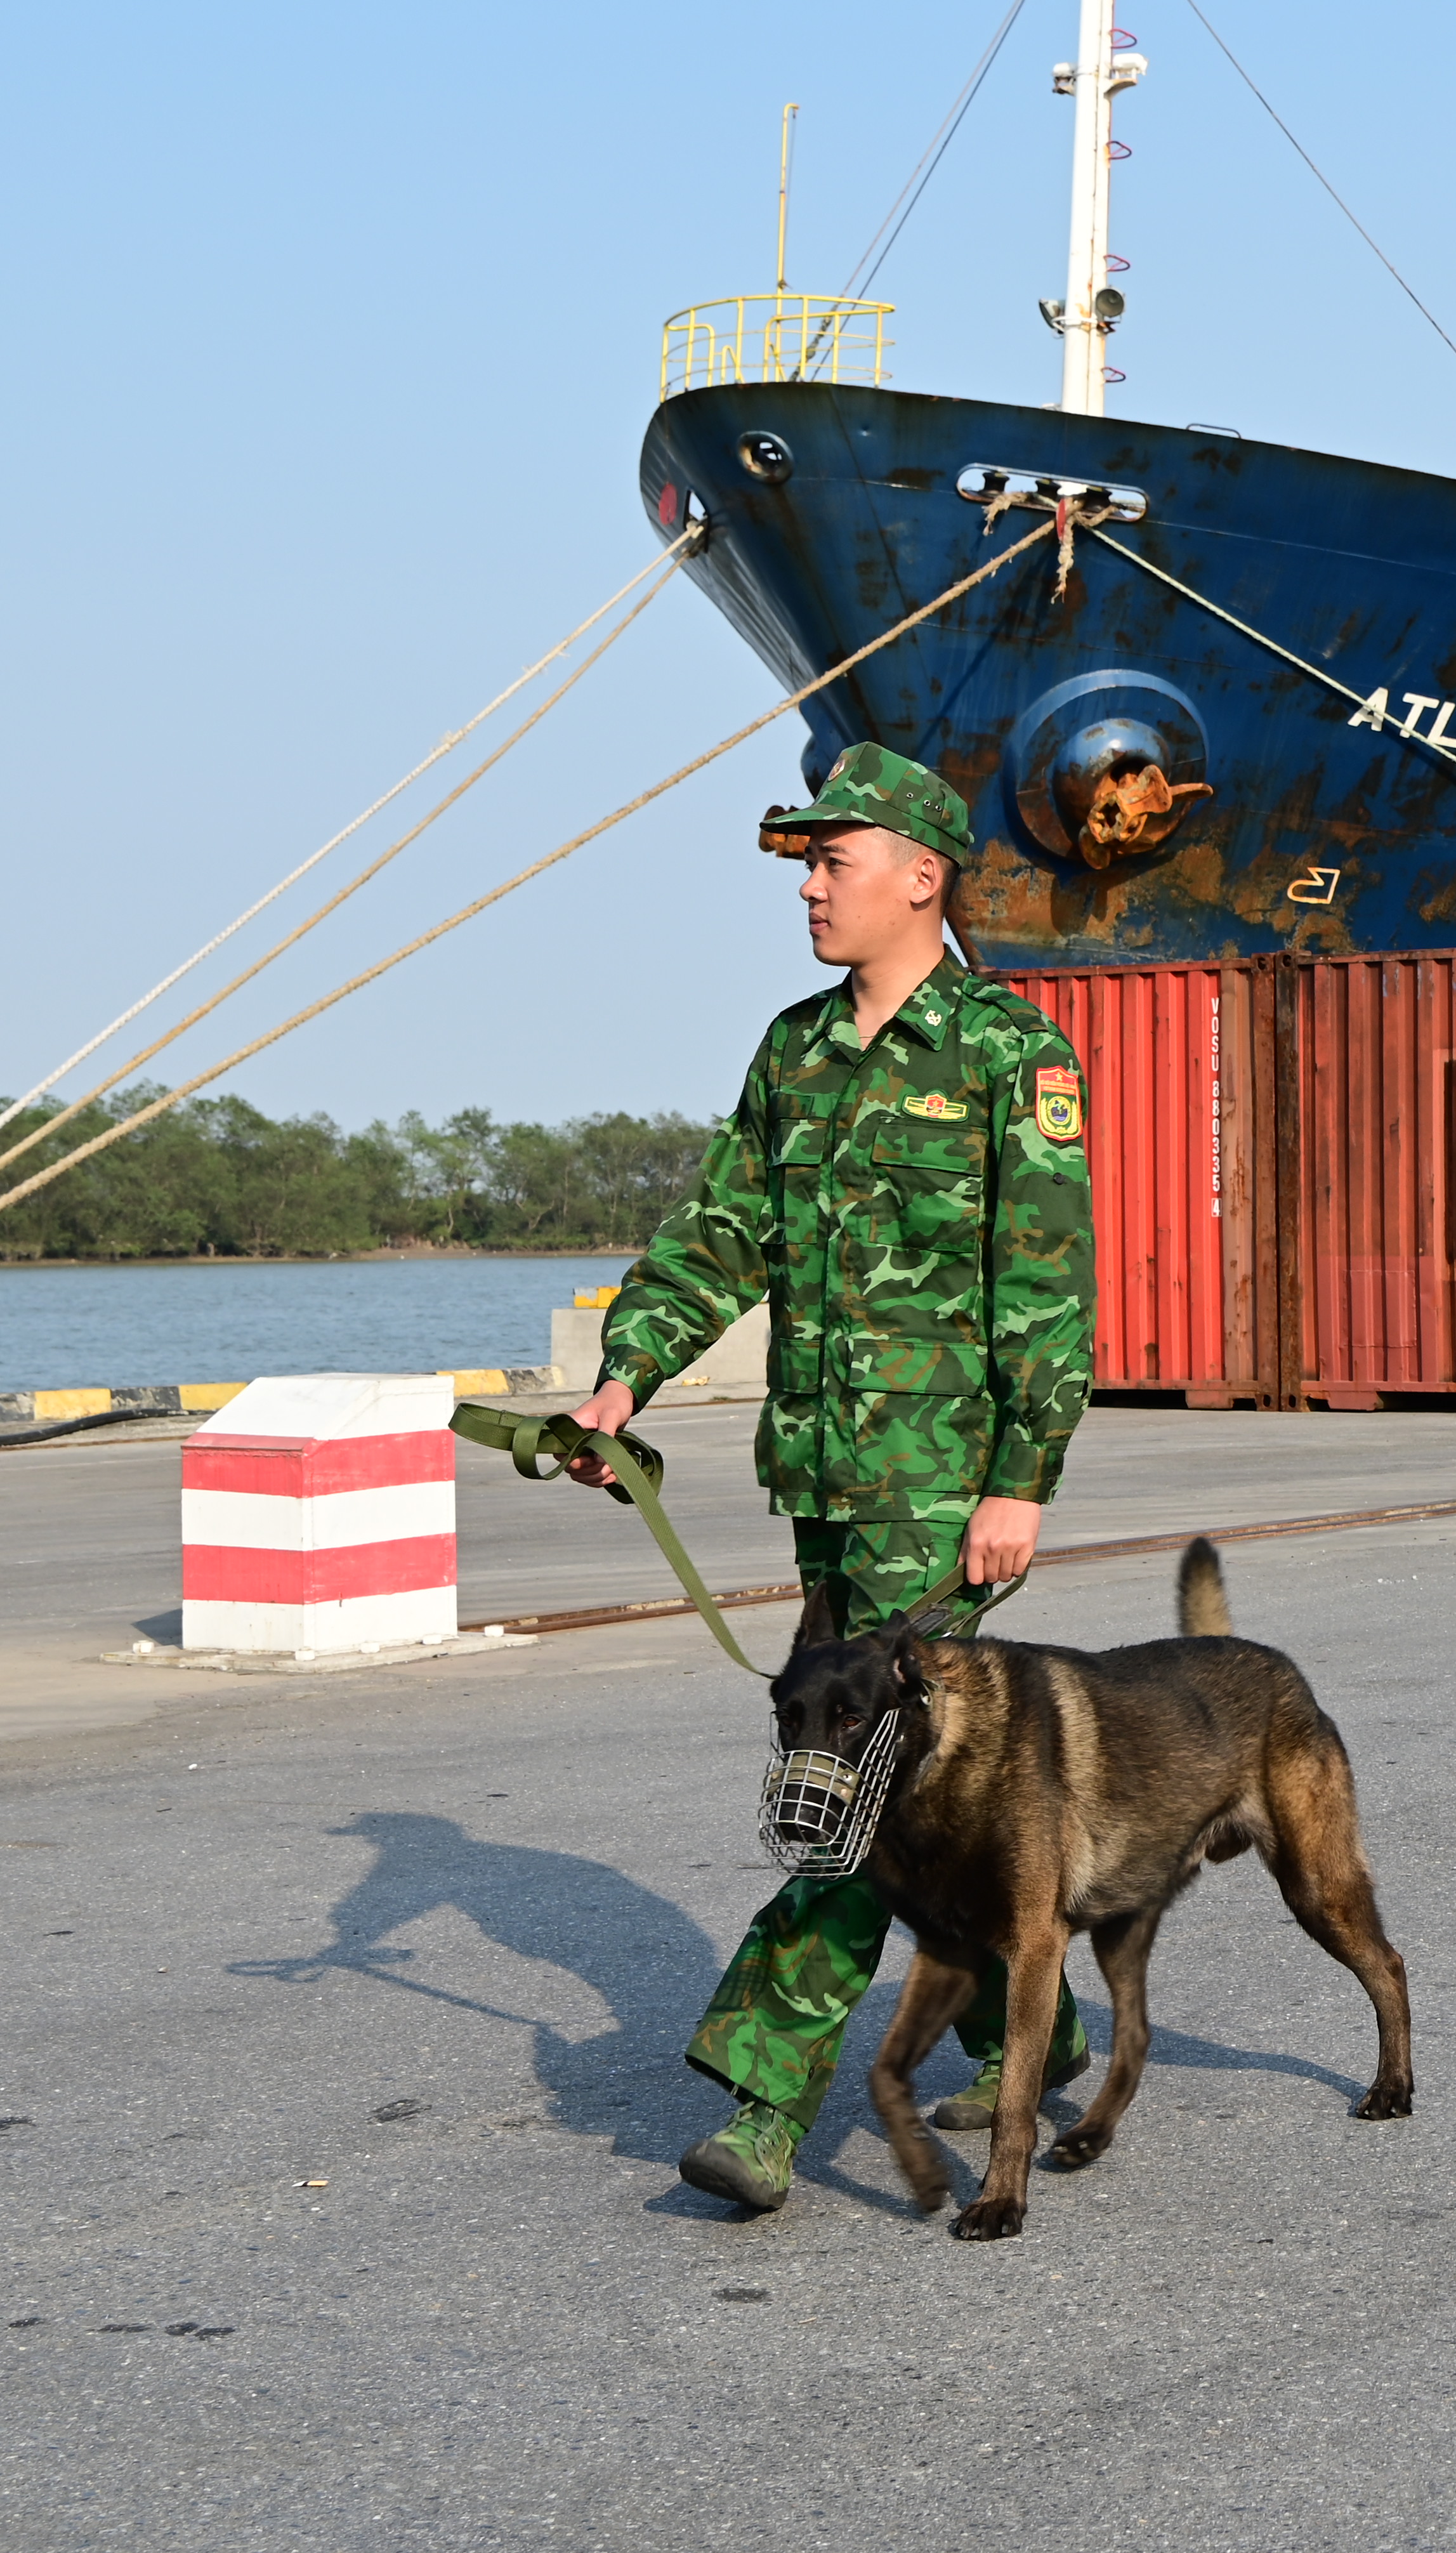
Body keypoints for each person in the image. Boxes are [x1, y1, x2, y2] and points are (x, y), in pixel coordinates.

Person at [564, 742, 1097, 2212]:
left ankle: (766, 2098)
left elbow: (1046, 1291)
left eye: (833, 860)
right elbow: (722, 1227)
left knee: (844, 1787)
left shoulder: (1011, 1056)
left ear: (920, 877)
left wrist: (1019, 1478)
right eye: (805, 864)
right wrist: (627, 1375)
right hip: (824, 1483)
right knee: (928, 1796)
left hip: (940, 1502)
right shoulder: (794, 1050)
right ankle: (1021, 2022)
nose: (809, 886)